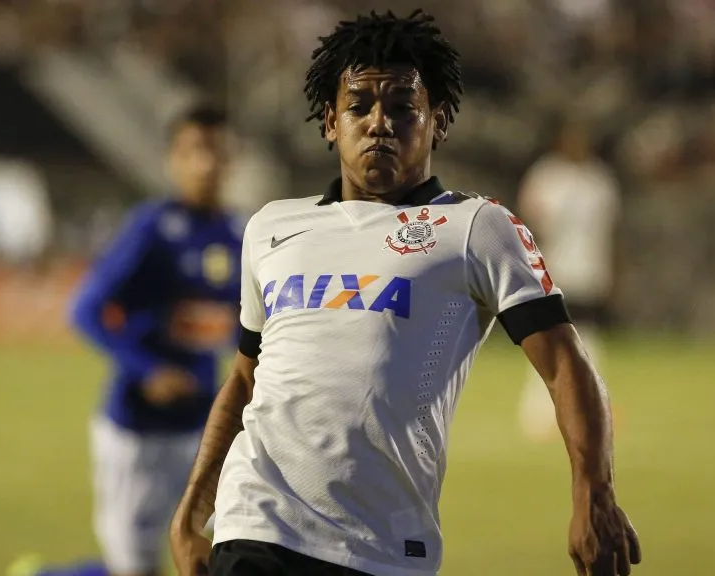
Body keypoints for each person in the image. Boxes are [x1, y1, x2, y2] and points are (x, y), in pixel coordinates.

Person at [170, 10, 641, 576]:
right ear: (329, 122)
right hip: (256, 528)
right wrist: (192, 513)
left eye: (401, 107)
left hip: (384, 548)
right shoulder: (271, 226)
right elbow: (245, 378)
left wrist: (594, 490)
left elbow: (565, 363)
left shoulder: (476, 227)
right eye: (359, 106)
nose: (378, 122)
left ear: (436, 122)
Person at [12, 104, 244, 576]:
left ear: (231, 160)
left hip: (205, 431)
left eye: (216, 152)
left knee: (227, 556)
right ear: (172, 161)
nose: (206, 163)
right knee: (134, 570)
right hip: (138, 432)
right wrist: (149, 370)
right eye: (193, 151)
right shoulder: (152, 228)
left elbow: (241, 329)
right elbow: (86, 309)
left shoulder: (243, 235)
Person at [515, 120, 621, 442]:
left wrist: (614, 270)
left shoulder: (600, 181)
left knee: (585, 339)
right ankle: (539, 409)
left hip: (591, 271)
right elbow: (525, 223)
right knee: (555, 339)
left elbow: (612, 231)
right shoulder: (546, 176)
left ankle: (579, 405)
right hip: (554, 269)